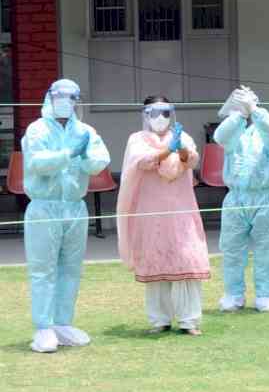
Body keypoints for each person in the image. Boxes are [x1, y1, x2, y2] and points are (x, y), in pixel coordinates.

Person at [21, 79, 111, 353]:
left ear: (77, 100)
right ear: (49, 97)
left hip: (74, 206)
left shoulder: (85, 130)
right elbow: (37, 163)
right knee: (43, 268)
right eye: (60, 95)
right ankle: (43, 327)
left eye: (72, 97)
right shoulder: (36, 129)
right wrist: (68, 153)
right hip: (44, 206)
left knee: (71, 268)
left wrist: (83, 155)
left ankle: (63, 322)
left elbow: (100, 161)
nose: (65, 101)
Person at [117, 96, 210, 336]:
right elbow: (143, 162)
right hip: (151, 211)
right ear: (146, 115)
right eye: (155, 113)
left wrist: (179, 148)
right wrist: (166, 150)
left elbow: (192, 160)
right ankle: (160, 319)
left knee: (186, 259)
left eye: (165, 113)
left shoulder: (182, 135)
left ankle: (189, 320)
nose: (160, 119)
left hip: (181, 209)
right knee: (156, 260)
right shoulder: (137, 139)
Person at [214, 86, 269, 313]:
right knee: (232, 248)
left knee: (267, 248)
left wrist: (255, 111)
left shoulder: (264, 130)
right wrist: (239, 114)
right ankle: (233, 295)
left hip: (264, 197)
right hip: (236, 198)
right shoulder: (233, 131)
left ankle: (265, 295)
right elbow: (221, 136)